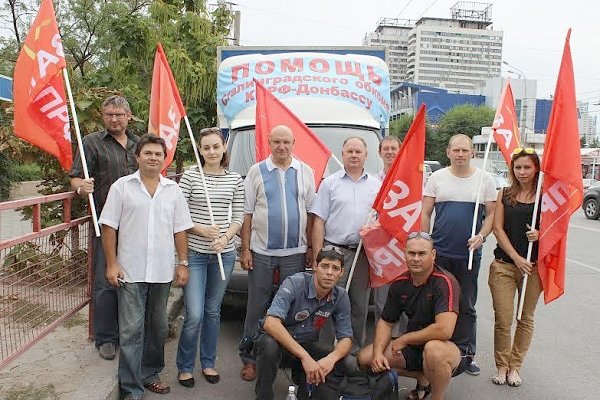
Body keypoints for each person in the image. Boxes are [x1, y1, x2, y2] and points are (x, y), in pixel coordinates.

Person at [99, 134, 194, 400]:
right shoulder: (122, 187)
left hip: (162, 271)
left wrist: (183, 263)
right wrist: (112, 263)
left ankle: (150, 373)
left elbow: (180, 230)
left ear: (165, 159)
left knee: (158, 327)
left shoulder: (172, 190)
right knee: (130, 330)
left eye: (158, 154)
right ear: (137, 157)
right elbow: (109, 227)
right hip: (130, 270)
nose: (153, 158)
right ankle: (130, 388)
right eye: (148, 153)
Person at [239, 125, 316, 381]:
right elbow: (247, 213)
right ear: (269, 142)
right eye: (277, 142)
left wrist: (311, 249)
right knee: (256, 305)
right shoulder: (256, 171)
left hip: (295, 252)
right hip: (261, 251)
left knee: (289, 307)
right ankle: (250, 358)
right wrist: (246, 248)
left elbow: (311, 215)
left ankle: (285, 356)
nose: (282, 147)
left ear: (294, 142)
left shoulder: (306, 172)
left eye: (286, 142)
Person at [357, 232, 472, 400]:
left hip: (453, 348)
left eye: (422, 253)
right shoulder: (400, 282)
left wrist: (405, 339)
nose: (416, 258)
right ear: (405, 254)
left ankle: (436, 397)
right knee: (365, 359)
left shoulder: (444, 282)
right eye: (411, 253)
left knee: (434, 351)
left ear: (433, 255)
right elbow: (386, 321)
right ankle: (422, 377)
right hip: (417, 345)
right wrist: (378, 353)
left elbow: (444, 330)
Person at [69, 95, 139, 360]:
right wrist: (80, 186)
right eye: (109, 114)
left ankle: (128, 331)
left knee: (132, 278)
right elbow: (75, 175)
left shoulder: (138, 144)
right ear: (103, 115)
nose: (114, 119)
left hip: (137, 223)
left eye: (119, 114)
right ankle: (106, 337)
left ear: (128, 116)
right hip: (106, 223)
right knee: (105, 281)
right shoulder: (92, 143)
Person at [421, 133, 496, 376]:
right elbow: (425, 213)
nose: (461, 154)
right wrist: (425, 243)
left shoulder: (485, 179)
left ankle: (467, 354)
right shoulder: (436, 178)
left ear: (473, 152)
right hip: (439, 253)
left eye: (465, 150)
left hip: (468, 255)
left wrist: (482, 236)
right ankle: (429, 350)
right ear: (448, 152)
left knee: (466, 305)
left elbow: (492, 216)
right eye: (456, 150)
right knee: (435, 302)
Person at [175, 128, 244, 387]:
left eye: (216, 146)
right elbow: (179, 215)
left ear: (223, 147)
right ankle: (184, 366)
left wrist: (226, 238)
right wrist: (201, 229)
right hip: (194, 253)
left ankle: (208, 362)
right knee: (194, 313)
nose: (212, 151)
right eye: (206, 147)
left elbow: (238, 217)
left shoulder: (235, 179)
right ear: (200, 150)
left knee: (213, 311)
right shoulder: (191, 177)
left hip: (222, 255)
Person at [254, 246, 353, 400]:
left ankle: (306, 391)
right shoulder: (294, 283)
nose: (329, 273)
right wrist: (305, 357)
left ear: (341, 273)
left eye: (335, 268)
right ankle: (263, 395)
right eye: (325, 266)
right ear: (315, 266)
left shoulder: (341, 296)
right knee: (269, 345)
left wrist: (331, 359)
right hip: (280, 343)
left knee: (346, 360)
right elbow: (270, 323)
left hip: (306, 342)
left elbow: (346, 338)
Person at [311, 136, 381, 348]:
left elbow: (382, 221)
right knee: (326, 301)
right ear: (342, 154)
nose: (353, 155)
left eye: (358, 151)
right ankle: (323, 351)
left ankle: (352, 353)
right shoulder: (330, 184)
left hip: (362, 253)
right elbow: (318, 222)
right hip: (334, 252)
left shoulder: (377, 186)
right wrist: (317, 257)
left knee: (358, 306)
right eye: (349, 151)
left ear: (365, 156)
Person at [489, 147, 541, 387]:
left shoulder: (545, 196)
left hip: (534, 267)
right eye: (518, 167)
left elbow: (556, 230)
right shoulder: (505, 194)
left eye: (527, 167)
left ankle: (515, 366)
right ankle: (501, 365)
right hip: (505, 265)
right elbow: (498, 229)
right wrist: (516, 257)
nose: (522, 172)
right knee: (504, 318)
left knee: (525, 318)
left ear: (536, 168)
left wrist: (540, 234)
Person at [374, 135, 407, 336]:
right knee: (382, 298)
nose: (389, 152)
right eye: (385, 148)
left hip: (403, 245)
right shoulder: (372, 182)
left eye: (393, 148)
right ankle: (381, 344)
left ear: (400, 151)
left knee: (405, 296)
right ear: (379, 153)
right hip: (380, 248)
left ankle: (402, 345)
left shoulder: (410, 180)